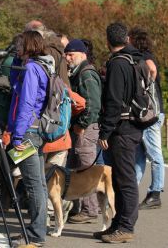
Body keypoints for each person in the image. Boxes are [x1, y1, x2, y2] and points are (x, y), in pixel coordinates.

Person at [97, 22, 144, 243]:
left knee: (125, 179)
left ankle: (126, 227)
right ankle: (118, 223)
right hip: (131, 125)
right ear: (126, 39)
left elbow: (114, 101)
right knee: (118, 178)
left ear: (108, 41)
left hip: (122, 129)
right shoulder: (136, 59)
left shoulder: (117, 64)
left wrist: (105, 132)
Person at [7, 30, 51, 247]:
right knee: (39, 184)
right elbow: (14, 83)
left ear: (29, 45)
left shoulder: (33, 69)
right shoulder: (37, 66)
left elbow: (26, 103)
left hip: (27, 132)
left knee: (33, 185)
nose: (16, 47)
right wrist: (17, 59)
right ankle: (37, 230)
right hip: (33, 131)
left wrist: (17, 136)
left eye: (19, 45)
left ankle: (35, 236)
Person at [63, 39, 102, 224]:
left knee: (86, 168)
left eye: (71, 54)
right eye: (66, 54)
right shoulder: (80, 72)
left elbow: (93, 105)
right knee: (77, 166)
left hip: (86, 128)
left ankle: (90, 209)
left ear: (82, 54)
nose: (67, 57)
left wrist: (82, 125)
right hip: (81, 127)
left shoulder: (86, 74)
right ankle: (80, 207)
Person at [129, 27, 165, 209]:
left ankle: (155, 192)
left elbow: (151, 69)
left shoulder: (144, 58)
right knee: (140, 155)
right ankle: (132, 190)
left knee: (154, 152)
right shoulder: (146, 55)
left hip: (149, 113)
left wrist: (146, 87)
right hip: (152, 112)